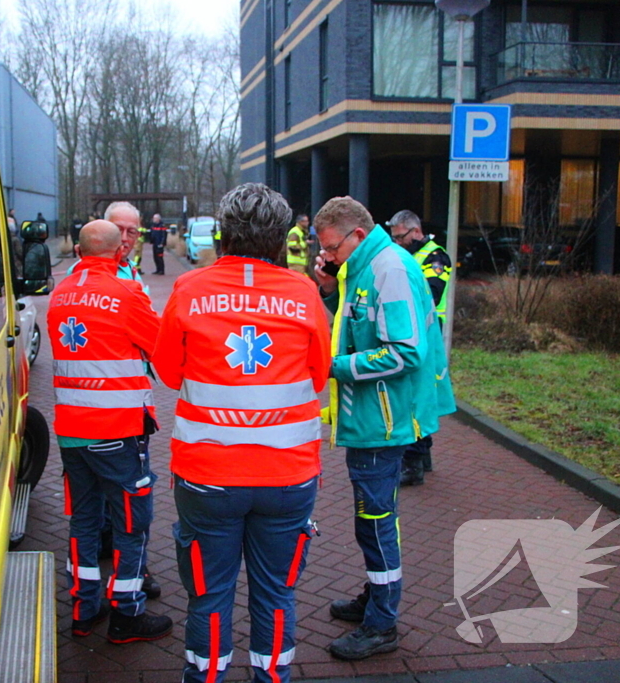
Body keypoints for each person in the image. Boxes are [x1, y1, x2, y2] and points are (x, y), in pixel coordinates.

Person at [152, 183, 331, 683]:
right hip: (287, 476)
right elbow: (319, 375)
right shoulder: (304, 292)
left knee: (209, 595)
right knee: (276, 593)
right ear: (280, 237)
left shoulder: (190, 288)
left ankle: (205, 676)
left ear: (224, 233)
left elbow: (167, 371)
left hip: (207, 475)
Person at [311, 196, 446, 661]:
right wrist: (331, 289)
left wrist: (332, 367)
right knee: (371, 519)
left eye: (332, 248)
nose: (328, 256)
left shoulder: (389, 269)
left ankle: (382, 622)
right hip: (372, 417)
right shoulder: (366, 266)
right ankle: (375, 598)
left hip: (383, 421)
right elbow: (356, 326)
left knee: (375, 522)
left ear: (358, 235)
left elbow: (405, 352)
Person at [47, 220, 173, 644]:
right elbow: (160, 346)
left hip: (71, 432)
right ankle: (126, 612)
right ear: (120, 252)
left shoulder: (60, 293)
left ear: (78, 251)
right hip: (117, 430)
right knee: (131, 524)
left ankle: (84, 609)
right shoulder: (126, 291)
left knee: (84, 520)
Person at [387, 210, 452, 486]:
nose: (397, 242)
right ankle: (422, 456)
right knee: (418, 394)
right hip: (415, 330)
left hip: (427, 333)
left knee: (415, 395)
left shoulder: (435, 257)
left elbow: (432, 293)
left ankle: (413, 464)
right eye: (394, 238)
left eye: (401, 236)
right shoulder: (409, 256)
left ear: (416, 231)